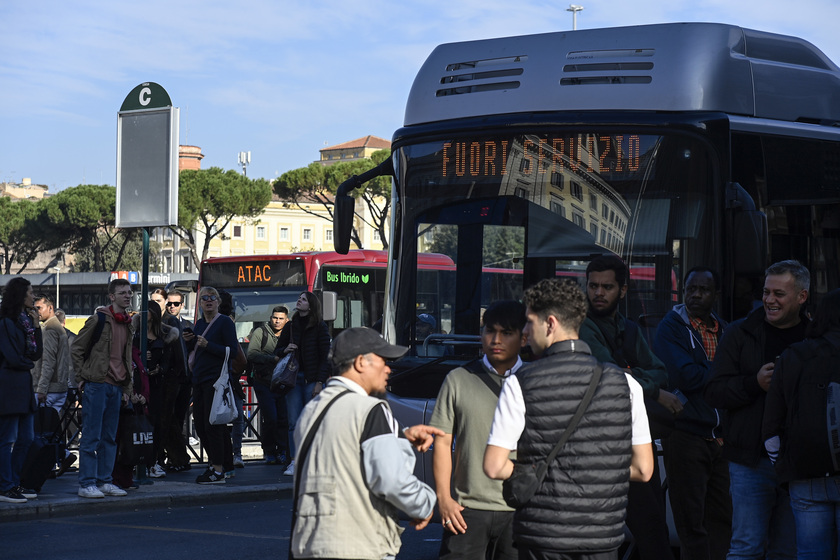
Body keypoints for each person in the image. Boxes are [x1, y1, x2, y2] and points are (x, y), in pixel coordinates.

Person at [483, 278, 654, 560]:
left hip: (542, 536)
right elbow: (644, 470)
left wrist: (541, 473)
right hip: (603, 537)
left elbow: (493, 466)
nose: (525, 332)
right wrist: (596, 474)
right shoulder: (627, 385)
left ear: (550, 324)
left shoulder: (520, 383)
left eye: (529, 322)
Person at [289, 326, 441, 560]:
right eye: (383, 360)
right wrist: (425, 504)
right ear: (361, 362)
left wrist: (399, 436)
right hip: (356, 544)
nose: (388, 368)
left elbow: (342, 453)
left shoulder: (312, 410)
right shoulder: (371, 409)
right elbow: (392, 481)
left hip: (309, 544)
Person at [705, 259, 810, 559]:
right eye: (766, 292)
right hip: (750, 461)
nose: (769, 300)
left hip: (799, 465)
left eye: (779, 294)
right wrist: (754, 384)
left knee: (788, 551)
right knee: (746, 547)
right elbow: (713, 391)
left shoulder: (815, 337)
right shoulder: (739, 333)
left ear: (801, 297)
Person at [578, 254, 678, 560]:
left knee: (652, 529)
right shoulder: (580, 326)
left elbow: (661, 371)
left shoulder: (628, 328)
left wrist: (640, 380)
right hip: (594, 445)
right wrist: (656, 392)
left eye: (606, 287)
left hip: (626, 439)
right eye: (593, 286)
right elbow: (609, 377)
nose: (597, 293)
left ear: (622, 290)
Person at [430, 300, 526, 560]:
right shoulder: (458, 379)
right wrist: (444, 499)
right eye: (489, 331)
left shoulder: (535, 382)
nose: (496, 339)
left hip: (521, 510)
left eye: (506, 333)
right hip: (466, 510)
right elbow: (441, 442)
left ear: (523, 338)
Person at [653, 267, 732, 560]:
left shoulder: (725, 328)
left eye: (703, 290)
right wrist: (723, 374)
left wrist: (714, 375)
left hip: (721, 439)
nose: (695, 295)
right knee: (691, 524)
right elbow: (684, 376)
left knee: (722, 520)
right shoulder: (670, 327)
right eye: (690, 289)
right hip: (685, 435)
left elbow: (733, 375)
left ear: (716, 295)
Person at [763, 288, 840, 559]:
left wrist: (784, 465)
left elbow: (771, 424)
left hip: (804, 472)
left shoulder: (794, 356)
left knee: (810, 553)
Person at [70, 278, 134, 499]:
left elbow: (126, 358)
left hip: (116, 387)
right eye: (123, 292)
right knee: (92, 436)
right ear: (112, 296)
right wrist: (81, 377)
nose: (128, 295)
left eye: (129, 292)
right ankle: (86, 482)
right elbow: (77, 348)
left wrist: (127, 388)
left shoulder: (128, 322)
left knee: (109, 438)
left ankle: (104, 480)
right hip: (97, 384)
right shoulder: (99, 319)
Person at [183, 286, 238, 485]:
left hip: (215, 381)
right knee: (201, 426)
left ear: (218, 302)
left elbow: (232, 352)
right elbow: (197, 351)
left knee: (213, 425)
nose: (208, 301)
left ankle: (217, 470)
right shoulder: (198, 324)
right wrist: (190, 341)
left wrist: (209, 346)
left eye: (212, 298)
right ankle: (222, 464)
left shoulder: (224, 323)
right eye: (204, 298)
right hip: (198, 379)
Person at [0, 277, 42, 503]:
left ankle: (13, 482)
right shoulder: (6, 322)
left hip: (23, 387)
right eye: (30, 292)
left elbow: (35, 354)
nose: (33, 296)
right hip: (9, 386)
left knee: (27, 438)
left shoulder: (26, 321)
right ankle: (5, 486)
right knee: (6, 439)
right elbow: (14, 357)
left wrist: (37, 327)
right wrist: (27, 362)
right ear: (20, 295)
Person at [282, 291, 331, 477]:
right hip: (293, 378)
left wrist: (320, 381)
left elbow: (326, 357)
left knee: (313, 422)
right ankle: (295, 461)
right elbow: (278, 349)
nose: (299, 301)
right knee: (294, 422)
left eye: (303, 299)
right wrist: (286, 349)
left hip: (312, 380)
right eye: (299, 299)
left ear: (311, 305)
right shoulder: (291, 326)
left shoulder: (319, 327)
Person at [32, 295, 76, 477]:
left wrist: (41, 388)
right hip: (58, 387)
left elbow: (48, 362)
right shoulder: (57, 329)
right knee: (49, 428)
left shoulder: (50, 329)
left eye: (39, 308)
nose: (36, 311)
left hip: (49, 388)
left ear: (50, 308)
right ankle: (59, 457)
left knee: (41, 429)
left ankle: (53, 460)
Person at [246, 305, 291, 465]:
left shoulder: (290, 333)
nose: (277, 321)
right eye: (274, 318)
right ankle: (269, 451)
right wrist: (272, 359)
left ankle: (283, 451)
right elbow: (251, 354)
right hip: (263, 381)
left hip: (283, 383)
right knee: (271, 417)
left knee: (284, 418)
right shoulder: (261, 332)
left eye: (280, 319)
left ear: (287, 320)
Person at [160, 291, 193, 472]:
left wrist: (191, 341)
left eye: (176, 304)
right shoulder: (162, 323)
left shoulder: (188, 325)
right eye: (169, 304)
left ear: (182, 305)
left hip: (184, 380)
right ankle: (174, 457)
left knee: (178, 420)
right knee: (167, 420)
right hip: (169, 379)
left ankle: (176, 458)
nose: (172, 307)